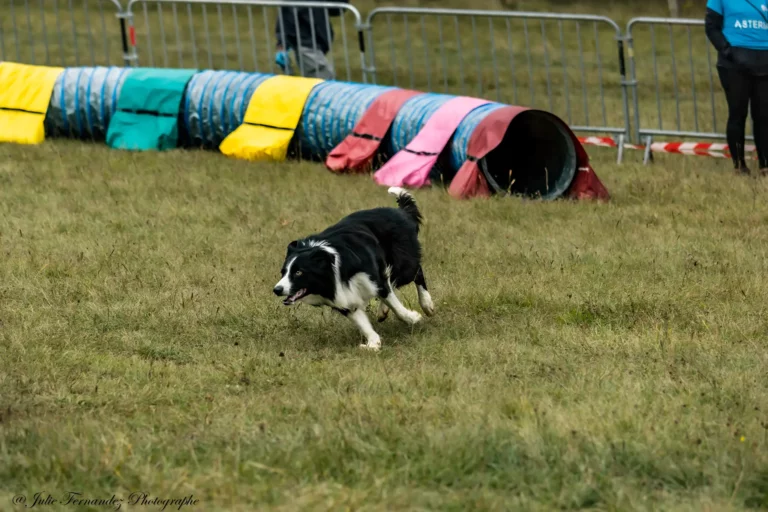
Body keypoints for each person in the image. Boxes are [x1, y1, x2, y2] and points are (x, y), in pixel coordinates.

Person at [705, 0, 768, 175]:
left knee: (764, 116)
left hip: (764, 61)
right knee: (737, 114)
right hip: (733, 64)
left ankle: (765, 165)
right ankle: (739, 166)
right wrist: (727, 51)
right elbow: (711, 27)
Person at [274, 1, 348, 81]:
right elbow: (286, 15)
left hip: (317, 41)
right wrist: (282, 45)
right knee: (323, 83)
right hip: (305, 43)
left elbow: (337, 9)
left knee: (318, 82)